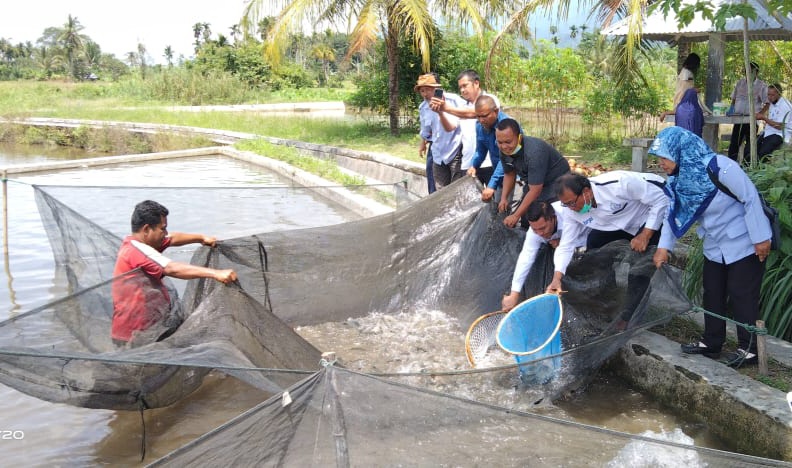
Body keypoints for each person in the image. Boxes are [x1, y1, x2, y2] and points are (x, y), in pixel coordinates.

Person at [650, 126, 772, 367]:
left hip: (744, 240)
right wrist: (664, 246)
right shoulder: (678, 180)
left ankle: (748, 348)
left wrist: (761, 239)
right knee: (712, 293)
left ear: (679, 151)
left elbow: (750, 197)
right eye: (659, 159)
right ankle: (712, 342)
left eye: (664, 157)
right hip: (715, 244)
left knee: (742, 294)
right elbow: (671, 214)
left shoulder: (719, 166)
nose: (661, 164)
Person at [549, 171, 669, 327]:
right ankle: (608, 301)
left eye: (572, 203)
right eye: (565, 204)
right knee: (595, 245)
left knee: (639, 266)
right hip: (615, 224)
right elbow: (566, 245)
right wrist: (557, 278)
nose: (570, 208)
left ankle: (627, 317)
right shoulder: (570, 210)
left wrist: (645, 234)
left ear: (587, 192)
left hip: (647, 217)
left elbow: (661, 198)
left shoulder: (619, 184)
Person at [111, 200, 238, 346]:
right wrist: (216, 273)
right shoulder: (137, 251)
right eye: (162, 228)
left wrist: (201, 238)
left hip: (147, 328)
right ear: (146, 229)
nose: (165, 233)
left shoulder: (140, 244)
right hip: (133, 336)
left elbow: (171, 238)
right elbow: (172, 268)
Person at [502, 200, 589, 312]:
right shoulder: (535, 231)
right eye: (535, 229)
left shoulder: (569, 214)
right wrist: (514, 293)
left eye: (543, 228)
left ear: (553, 218)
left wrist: (563, 242)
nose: (540, 234)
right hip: (565, 247)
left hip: (591, 232)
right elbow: (526, 257)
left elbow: (568, 246)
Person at [495, 118, 570, 228]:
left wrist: (515, 216)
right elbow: (509, 173)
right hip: (533, 183)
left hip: (557, 181)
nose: (504, 146)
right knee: (527, 219)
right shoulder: (504, 150)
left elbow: (535, 191)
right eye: (500, 142)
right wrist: (504, 198)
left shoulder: (535, 152)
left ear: (519, 137)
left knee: (548, 219)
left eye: (508, 142)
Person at [431, 70, 501, 176]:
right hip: (468, 164)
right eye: (460, 88)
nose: (462, 90)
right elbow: (450, 127)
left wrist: (446, 108)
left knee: (492, 192)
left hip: (489, 162)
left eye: (465, 85)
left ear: (476, 83)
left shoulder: (490, 99)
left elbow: (474, 113)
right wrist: (441, 112)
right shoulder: (461, 106)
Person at [415, 73, 465, 189]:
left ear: (436, 88)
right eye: (422, 91)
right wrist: (423, 144)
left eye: (428, 90)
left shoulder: (453, 100)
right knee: (440, 189)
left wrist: (441, 112)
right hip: (437, 153)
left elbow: (453, 126)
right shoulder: (423, 107)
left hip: (455, 149)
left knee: (456, 187)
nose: (425, 94)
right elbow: (426, 129)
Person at [468, 94, 509, 195]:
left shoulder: (508, 127)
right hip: (500, 179)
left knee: (514, 209)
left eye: (485, 116)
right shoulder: (479, 126)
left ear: (496, 111)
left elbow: (506, 159)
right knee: (499, 208)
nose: (481, 120)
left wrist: (491, 185)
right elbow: (480, 151)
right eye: (478, 116)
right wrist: (473, 165)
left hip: (516, 178)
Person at [727, 61, 769, 161]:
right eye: (746, 71)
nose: (748, 73)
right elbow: (734, 98)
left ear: (756, 73)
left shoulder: (762, 85)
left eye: (751, 71)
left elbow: (767, 103)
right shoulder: (740, 83)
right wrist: (731, 108)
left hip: (752, 120)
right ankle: (730, 164)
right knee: (734, 143)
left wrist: (760, 114)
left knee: (750, 145)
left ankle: (747, 166)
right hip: (739, 119)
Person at [749, 83, 792, 161]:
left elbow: (780, 127)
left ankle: (761, 171)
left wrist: (764, 118)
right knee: (750, 149)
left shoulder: (784, 105)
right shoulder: (772, 103)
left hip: (780, 134)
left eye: (772, 95)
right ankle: (747, 169)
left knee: (763, 153)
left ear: (779, 94)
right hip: (769, 132)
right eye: (768, 95)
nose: (769, 97)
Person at [659, 53, 707, 123]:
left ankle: (665, 112)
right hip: (682, 98)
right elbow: (685, 88)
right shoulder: (687, 73)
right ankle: (665, 113)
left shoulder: (686, 71)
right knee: (678, 111)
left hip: (682, 97)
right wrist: (695, 90)